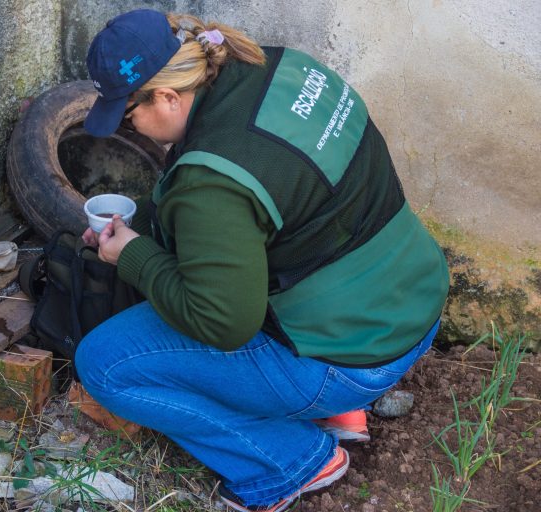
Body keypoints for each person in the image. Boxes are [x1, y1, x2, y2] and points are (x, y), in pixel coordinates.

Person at [74, 9, 450, 511]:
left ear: (167, 96)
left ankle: (288, 461)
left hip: (351, 360)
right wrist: (146, 223)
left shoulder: (212, 180)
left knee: (106, 364)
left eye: (128, 115)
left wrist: (133, 255)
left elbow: (224, 321)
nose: (131, 128)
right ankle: (340, 412)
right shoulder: (278, 67)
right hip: (411, 302)